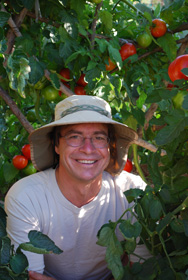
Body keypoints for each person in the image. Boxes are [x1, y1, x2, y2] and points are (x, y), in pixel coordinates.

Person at [5, 95, 149, 280]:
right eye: (74, 137)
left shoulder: (133, 191)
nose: (88, 149)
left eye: (99, 138)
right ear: (56, 145)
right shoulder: (26, 196)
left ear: (110, 147)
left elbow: (144, 270)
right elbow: (32, 276)